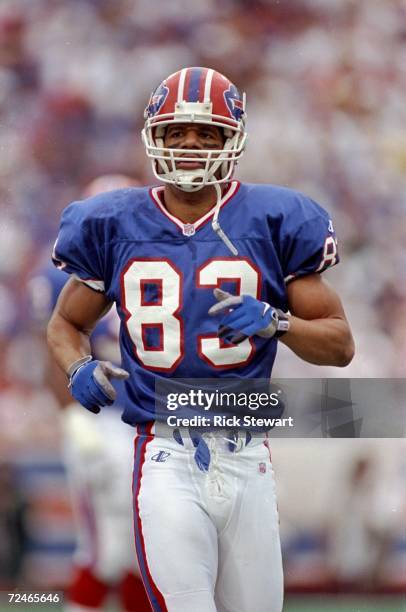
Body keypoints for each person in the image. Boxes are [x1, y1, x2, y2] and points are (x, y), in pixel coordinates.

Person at [47, 67, 355, 612]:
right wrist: (77, 366)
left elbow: (340, 344)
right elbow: (66, 323)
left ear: (230, 141)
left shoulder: (276, 218)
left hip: (249, 455)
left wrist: (278, 323)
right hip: (164, 451)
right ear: (154, 139)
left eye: (206, 134)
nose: (190, 146)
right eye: (176, 134)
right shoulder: (111, 221)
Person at [30, 176, 150, 611]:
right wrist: (77, 424)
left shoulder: (159, 262)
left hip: (148, 421)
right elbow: (53, 353)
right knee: (106, 551)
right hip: (100, 420)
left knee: (146, 548)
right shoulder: (68, 272)